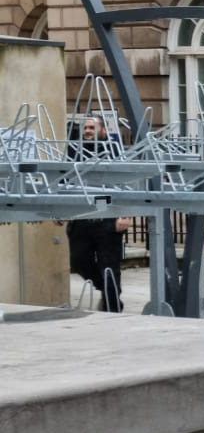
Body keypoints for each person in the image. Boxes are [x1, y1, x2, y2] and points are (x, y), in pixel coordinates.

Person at [68, 114, 132, 312]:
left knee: (109, 268)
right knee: (78, 261)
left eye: (92, 127)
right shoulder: (73, 149)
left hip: (108, 220)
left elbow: (127, 183)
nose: (87, 131)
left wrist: (126, 214)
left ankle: (113, 307)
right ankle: (108, 291)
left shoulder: (114, 150)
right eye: (85, 128)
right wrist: (59, 211)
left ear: (103, 130)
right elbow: (65, 178)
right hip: (81, 218)